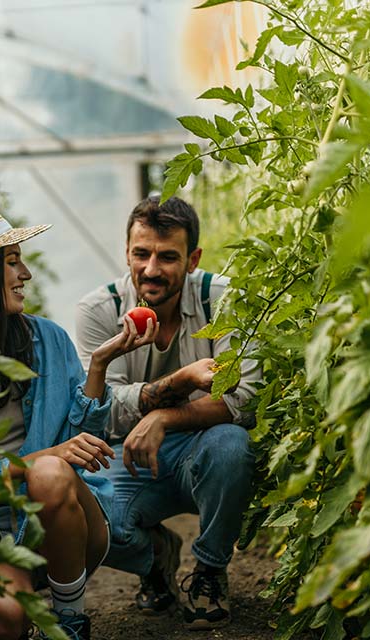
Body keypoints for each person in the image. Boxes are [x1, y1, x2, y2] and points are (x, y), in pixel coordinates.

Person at [0, 201, 156, 640]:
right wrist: (42, 457)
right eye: (11, 262)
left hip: (64, 524)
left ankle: (70, 624)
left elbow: (85, 450)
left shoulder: (48, 340)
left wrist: (99, 366)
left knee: (50, 473)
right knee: (8, 617)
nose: (25, 273)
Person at [73, 195, 259, 630]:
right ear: (127, 253)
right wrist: (181, 382)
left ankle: (210, 571)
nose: (152, 269)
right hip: (131, 457)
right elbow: (101, 414)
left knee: (233, 445)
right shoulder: (99, 311)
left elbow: (245, 399)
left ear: (193, 259)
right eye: (142, 254)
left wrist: (164, 417)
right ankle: (156, 559)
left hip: (203, 445)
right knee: (91, 514)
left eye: (168, 256)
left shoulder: (224, 300)